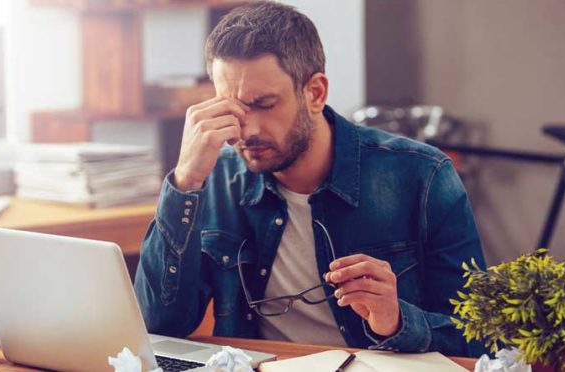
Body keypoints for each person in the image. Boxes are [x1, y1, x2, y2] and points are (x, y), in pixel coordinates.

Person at [134, 1, 486, 357]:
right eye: (234, 107)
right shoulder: (216, 176)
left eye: (265, 104)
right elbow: (160, 326)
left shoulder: (423, 176)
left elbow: (481, 340)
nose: (248, 130)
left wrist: (396, 320)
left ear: (315, 93)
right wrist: (185, 182)